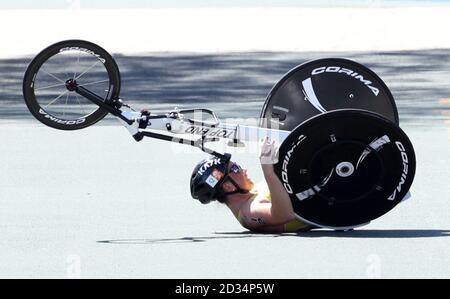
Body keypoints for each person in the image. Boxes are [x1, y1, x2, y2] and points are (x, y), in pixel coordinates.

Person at [190, 136, 315, 233]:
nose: (243, 170)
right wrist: (268, 172)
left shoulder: (254, 191)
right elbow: (285, 215)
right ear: (228, 186)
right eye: (235, 168)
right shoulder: (248, 213)